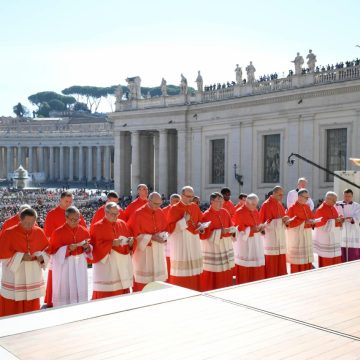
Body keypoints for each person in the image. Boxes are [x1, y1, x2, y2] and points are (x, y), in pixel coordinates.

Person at [0, 208, 49, 316]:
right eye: (26, 223)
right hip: (15, 276)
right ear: (20, 220)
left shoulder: (39, 232)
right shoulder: (8, 233)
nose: (29, 226)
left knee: (31, 309)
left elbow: (47, 250)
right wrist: (20, 256)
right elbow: (2, 255)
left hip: (32, 276)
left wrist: (42, 257)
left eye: (32, 223)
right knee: (12, 308)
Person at [43, 191, 86, 307]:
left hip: (75, 252)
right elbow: (48, 235)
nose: (69, 204)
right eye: (66, 201)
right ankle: (52, 299)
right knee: (57, 277)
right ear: (60, 200)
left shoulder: (76, 213)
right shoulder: (52, 214)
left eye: (70, 202)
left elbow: (83, 230)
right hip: (58, 249)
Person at [50, 206, 92, 307]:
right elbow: (53, 253)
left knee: (80, 287)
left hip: (80, 263)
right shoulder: (58, 232)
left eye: (77, 219)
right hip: (65, 265)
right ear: (66, 218)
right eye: (72, 219)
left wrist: (87, 247)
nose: (75, 221)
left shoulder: (84, 231)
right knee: (65, 288)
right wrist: (67, 248)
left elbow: (89, 249)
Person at [90, 202, 133, 299]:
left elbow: (128, 241)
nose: (115, 216)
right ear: (106, 212)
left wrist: (130, 242)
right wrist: (111, 243)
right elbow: (95, 247)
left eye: (117, 214)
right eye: (113, 214)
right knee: (108, 293)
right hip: (106, 264)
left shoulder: (122, 224)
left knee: (121, 291)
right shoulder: (97, 226)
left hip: (121, 263)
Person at [128, 192, 168, 292]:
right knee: (144, 281)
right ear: (149, 201)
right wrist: (151, 237)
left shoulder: (160, 212)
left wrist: (164, 235)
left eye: (159, 204)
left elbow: (165, 228)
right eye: (155, 204)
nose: (158, 206)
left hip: (158, 249)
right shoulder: (138, 213)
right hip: (145, 251)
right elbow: (133, 234)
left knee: (158, 283)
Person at [167, 186, 204, 291]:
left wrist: (201, 226)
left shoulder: (195, 207)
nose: (190, 199)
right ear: (182, 195)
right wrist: (183, 221)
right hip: (181, 242)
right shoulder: (174, 208)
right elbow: (170, 228)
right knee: (182, 272)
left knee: (195, 269)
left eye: (192, 197)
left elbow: (199, 220)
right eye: (188, 196)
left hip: (194, 241)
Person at [199, 192, 235, 291]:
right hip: (213, 248)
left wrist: (232, 230)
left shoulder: (225, 212)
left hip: (225, 245)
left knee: (225, 269)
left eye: (221, 201)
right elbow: (203, 234)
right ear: (212, 201)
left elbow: (231, 225)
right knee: (213, 271)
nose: (221, 203)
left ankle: (226, 287)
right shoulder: (206, 215)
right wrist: (220, 232)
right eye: (218, 201)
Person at [232, 194, 265, 284]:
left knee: (256, 265)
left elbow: (257, 223)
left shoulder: (255, 211)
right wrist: (250, 229)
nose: (255, 206)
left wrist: (260, 227)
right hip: (245, 243)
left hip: (256, 241)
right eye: (254, 204)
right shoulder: (239, 212)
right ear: (247, 203)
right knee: (245, 267)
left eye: (256, 204)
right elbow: (238, 229)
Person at [259, 186, 288, 278]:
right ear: (274, 193)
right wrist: (280, 221)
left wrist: (286, 220)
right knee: (271, 260)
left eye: (282, 194)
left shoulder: (279, 204)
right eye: (280, 194)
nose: (281, 196)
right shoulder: (266, 204)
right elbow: (263, 223)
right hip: (271, 237)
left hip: (280, 236)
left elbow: (283, 217)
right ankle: (271, 277)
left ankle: (281, 276)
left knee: (280, 257)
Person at [286, 189, 315, 273]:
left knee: (306, 256)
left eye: (308, 198)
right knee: (297, 259)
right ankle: (296, 273)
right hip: (297, 237)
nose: (307, 199)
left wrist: (313, 221)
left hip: (306, 234)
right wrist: (304, 222)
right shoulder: (292, 208)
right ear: (299, 197)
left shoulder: (306, 207)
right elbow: (289, 224)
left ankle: (307, 271)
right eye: (306, 197)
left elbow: (311, 217)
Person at [313, 191, 344, 267]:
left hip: (334, 238)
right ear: (327, 199)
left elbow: (335, 217)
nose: (335, 202)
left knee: (336, 261)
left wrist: (340, 218)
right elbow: (320, 225)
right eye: (333, 200)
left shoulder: (333, 207)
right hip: (326, 240)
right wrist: (336, 220)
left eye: (335, 200)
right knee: (327, 262)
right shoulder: (320, 210)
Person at [335, 189, 360, 262]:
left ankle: (353, 261)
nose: (347, 198)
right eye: (346, 196)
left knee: (352, 248)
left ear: (352, 196)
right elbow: (334, 214)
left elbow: (358, 217)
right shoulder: (337, 204)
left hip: (352, 229)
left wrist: (352, 219)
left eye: (349, 196)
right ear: (343, 196)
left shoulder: (357, 205)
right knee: (341, 246)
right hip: (341, 229)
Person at [162, 194, 181, 275]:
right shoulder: (163, 211)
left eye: (178, 201)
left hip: (178, 238)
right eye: (175, 201)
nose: (176, 203)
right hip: (168, 238)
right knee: (168, 259)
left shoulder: (181, 210)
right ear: (170, 201)